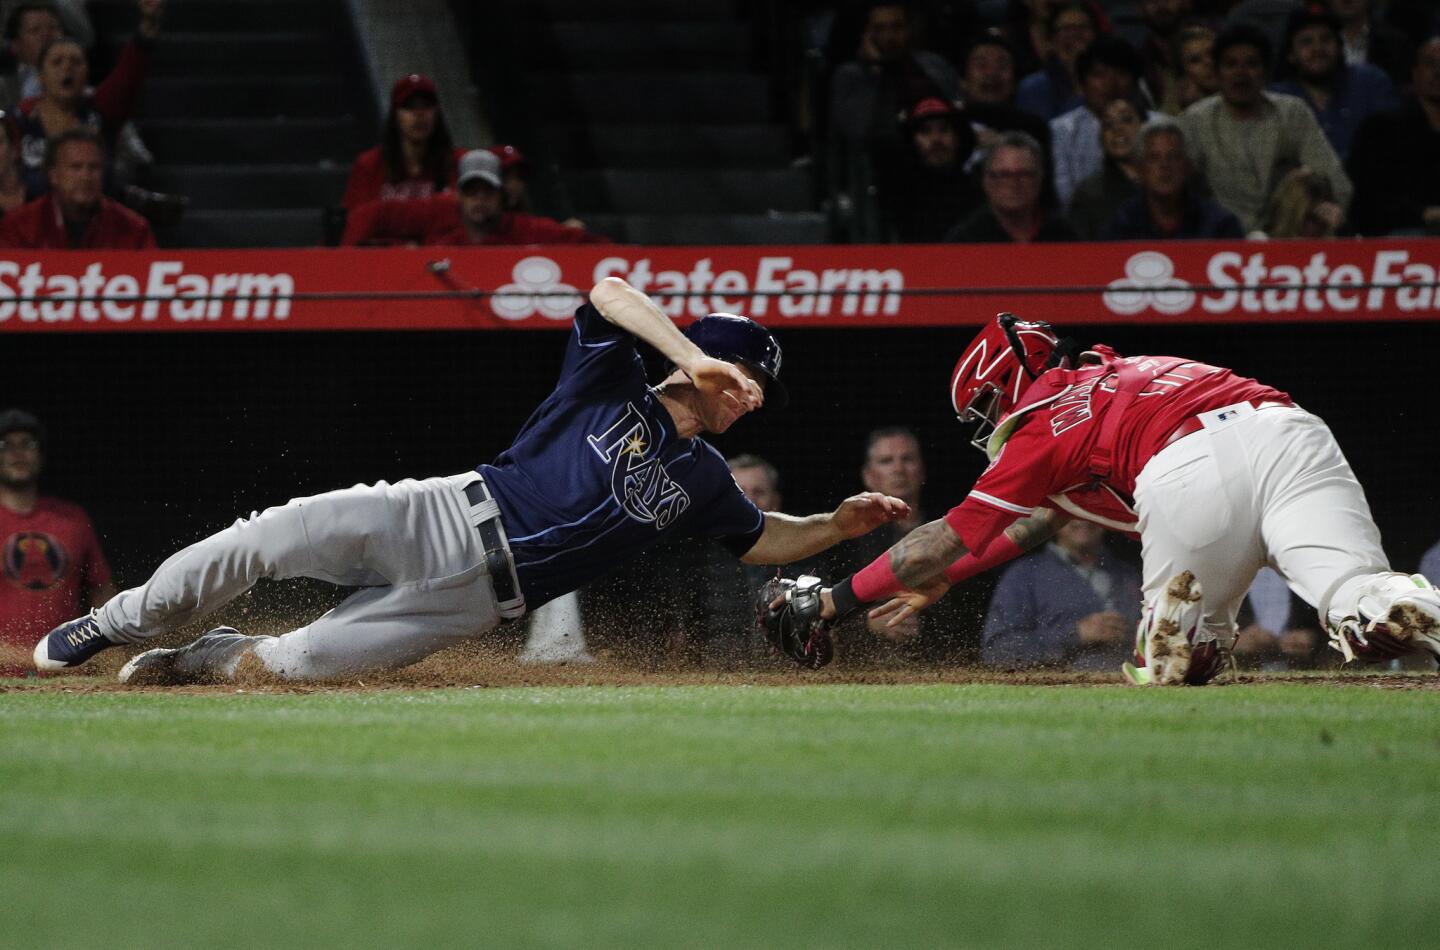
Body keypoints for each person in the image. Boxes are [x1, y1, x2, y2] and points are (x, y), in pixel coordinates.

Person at [34, 277, 911, 683]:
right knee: (263, 538)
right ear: (712, 360)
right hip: (446, 514)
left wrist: (838, 522)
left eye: (760, 388)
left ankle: (205, 658)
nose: (754, 396)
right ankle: (112, 620)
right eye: (749, 375)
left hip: (480, 603)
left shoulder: (705, 475)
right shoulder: (612, 379)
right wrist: (689, 355)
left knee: (290, 668)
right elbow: (608, 290)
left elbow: (762, 542)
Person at [800, 313, 1440, 686]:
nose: (987, 426)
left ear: (1009, 383)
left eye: (987, 407)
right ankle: (1400, 605)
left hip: (1187, 469)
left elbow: (936, 542)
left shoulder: (1040, 421)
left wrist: (834, 603)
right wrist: (949, 575)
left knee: (1173, 664)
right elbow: (1042, 522)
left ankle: (1187, 646)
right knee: (1357, 589)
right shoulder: (1126, 369)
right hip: (1291, 430)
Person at [1179, 21, 1352, 232]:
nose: (1240, 74)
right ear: (1217, 73)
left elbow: (1336, 183)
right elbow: (1180, 190)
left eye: (1251, 64)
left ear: (1266, 73)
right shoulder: (1195, 120)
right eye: (1231, 64)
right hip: (1220, 240)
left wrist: (1325, 209)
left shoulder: (1292, 113)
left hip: (1287, 239)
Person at [0, 409, 114, 676]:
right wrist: (32, 658)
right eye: (6, 445)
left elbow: (102, 588)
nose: (18, 453)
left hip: (65, 679)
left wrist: (110, 648)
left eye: (28, 444)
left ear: (41, 455)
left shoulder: (71, 519)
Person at [13, 0, 160, 198]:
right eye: (57, 62)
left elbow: (128, 76)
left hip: (98, 224)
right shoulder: (18, 121)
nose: (67, 68)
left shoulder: (102, 111)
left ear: (87, 72)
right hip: (33, 225)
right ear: (41, 76)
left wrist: (148, 24)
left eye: (76, 62)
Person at [341, 149, 608, 246]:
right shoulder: (442, 228)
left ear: (501, 195)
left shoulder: (525, 229)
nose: (479, 199)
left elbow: (590, 245)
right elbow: (372, 214)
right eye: (472, 191)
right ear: (458, 194)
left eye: (488, 191)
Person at [981, 519, 1141, 670]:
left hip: (1130, 692)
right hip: (1056, 693)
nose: (1082, 519)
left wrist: (1132, 637)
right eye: (1073, 512)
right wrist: (1075, 633)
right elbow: (996, 651)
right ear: (1052, 516)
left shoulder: (1130, 575)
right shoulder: (1025, 575)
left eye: (1090, 511)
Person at [1269, 4, 1397, 159]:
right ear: (1291, 55)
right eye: (1306, 42)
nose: (1318, 48)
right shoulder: (1277, 98)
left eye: (1326, 39)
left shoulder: (1370, 82)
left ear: (1340, 48)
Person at [1344, 36, 1440, 236]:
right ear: (1415, 74)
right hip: (1402, 238)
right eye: (1430, 64)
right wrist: (1424, 213)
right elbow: (1366, 201)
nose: (1438, 71)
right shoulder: (1380, 129)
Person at [0, 125, 154, 247]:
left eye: (94, 167)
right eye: (76, 167)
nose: (86, 177)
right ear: (53, 175)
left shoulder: (134, 230)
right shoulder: (18, 227)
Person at [1099, 118, 1241, 239]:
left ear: (1187, 166)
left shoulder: (1220, 226)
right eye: (1154, 158)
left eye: (1173, 157)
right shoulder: (1120, 228)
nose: (1164, 166)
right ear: (1140, 168)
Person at [341, 73, 464, 212]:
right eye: (410, 106)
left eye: (426, 106)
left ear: (437, 113)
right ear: (395, 115)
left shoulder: (460, 163)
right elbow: (355, 222)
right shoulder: (368, 166)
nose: (419, 114)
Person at [1049, 36, 1146, 209]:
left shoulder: (1158, 125)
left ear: (1135, 82)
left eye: (1121, 74)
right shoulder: (1060, 130)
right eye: (1100, 74)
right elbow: (1064, 198)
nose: (1111, 83)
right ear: (1081, 84)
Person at [944, 131, 1076, 243]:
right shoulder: (963, 240)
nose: (1013, 183)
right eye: (1003, 175)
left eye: (1024, 174)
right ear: (986, 181)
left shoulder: (1064, 236)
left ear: (1040, 178)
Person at [885, 96, 980, 242]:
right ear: (912, 140)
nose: (936, 139)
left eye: (944, 129)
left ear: (958, 138)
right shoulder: (901, 192)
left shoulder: (978, 188)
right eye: (925, 131)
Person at [1065, 96, 1143, 238]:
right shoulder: (1088, 196)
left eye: (1126, 120)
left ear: (1144, 125)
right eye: (1108, 125)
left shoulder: (1166, 183)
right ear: (1101, 137)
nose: (1117, 129)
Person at [1015, 1, 1102, 122]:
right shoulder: (1034, 87)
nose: (1074, 34)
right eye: (1065, 28)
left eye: (1082, 27)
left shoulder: (1111, 80)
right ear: (1051, 42)